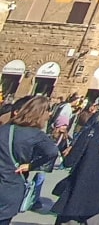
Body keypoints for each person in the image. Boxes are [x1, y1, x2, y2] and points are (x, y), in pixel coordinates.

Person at [51, 102, 99, 224]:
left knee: (69, 219)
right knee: (92, 217)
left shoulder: (90, 131)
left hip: (79, 181)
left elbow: (71, 160)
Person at [0, 96, 59, 225]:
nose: (49, 115)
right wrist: (32, 166)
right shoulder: (36, 135)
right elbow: (52, 152)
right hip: (11, 185)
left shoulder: (4, 128)